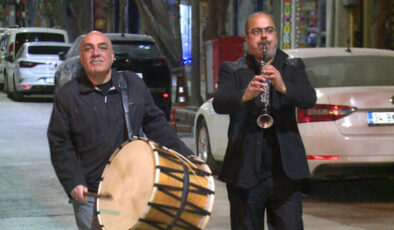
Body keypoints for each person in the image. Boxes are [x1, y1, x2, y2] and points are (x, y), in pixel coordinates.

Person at [47, 31, 196, 230]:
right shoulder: (68, 95)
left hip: (132, 190)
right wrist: (73, 182)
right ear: (81, 58)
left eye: (102, 47)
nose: (96, 53)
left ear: (112, 56)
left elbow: (157, 125)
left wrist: (187, 155)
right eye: (88, 49)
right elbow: (60, 143)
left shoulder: (132, 84)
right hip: (92, 193)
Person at [212, 12, 317, 230]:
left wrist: (283, 86)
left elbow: (309, 98)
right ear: (247, 38)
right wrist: (245, 94)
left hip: (285, 173)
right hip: (245, 172)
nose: (264, 37)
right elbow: (219, 103)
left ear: (275, 35)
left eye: (269, 30)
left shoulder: (292, 66)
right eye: (257, 32)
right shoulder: (232, 69)